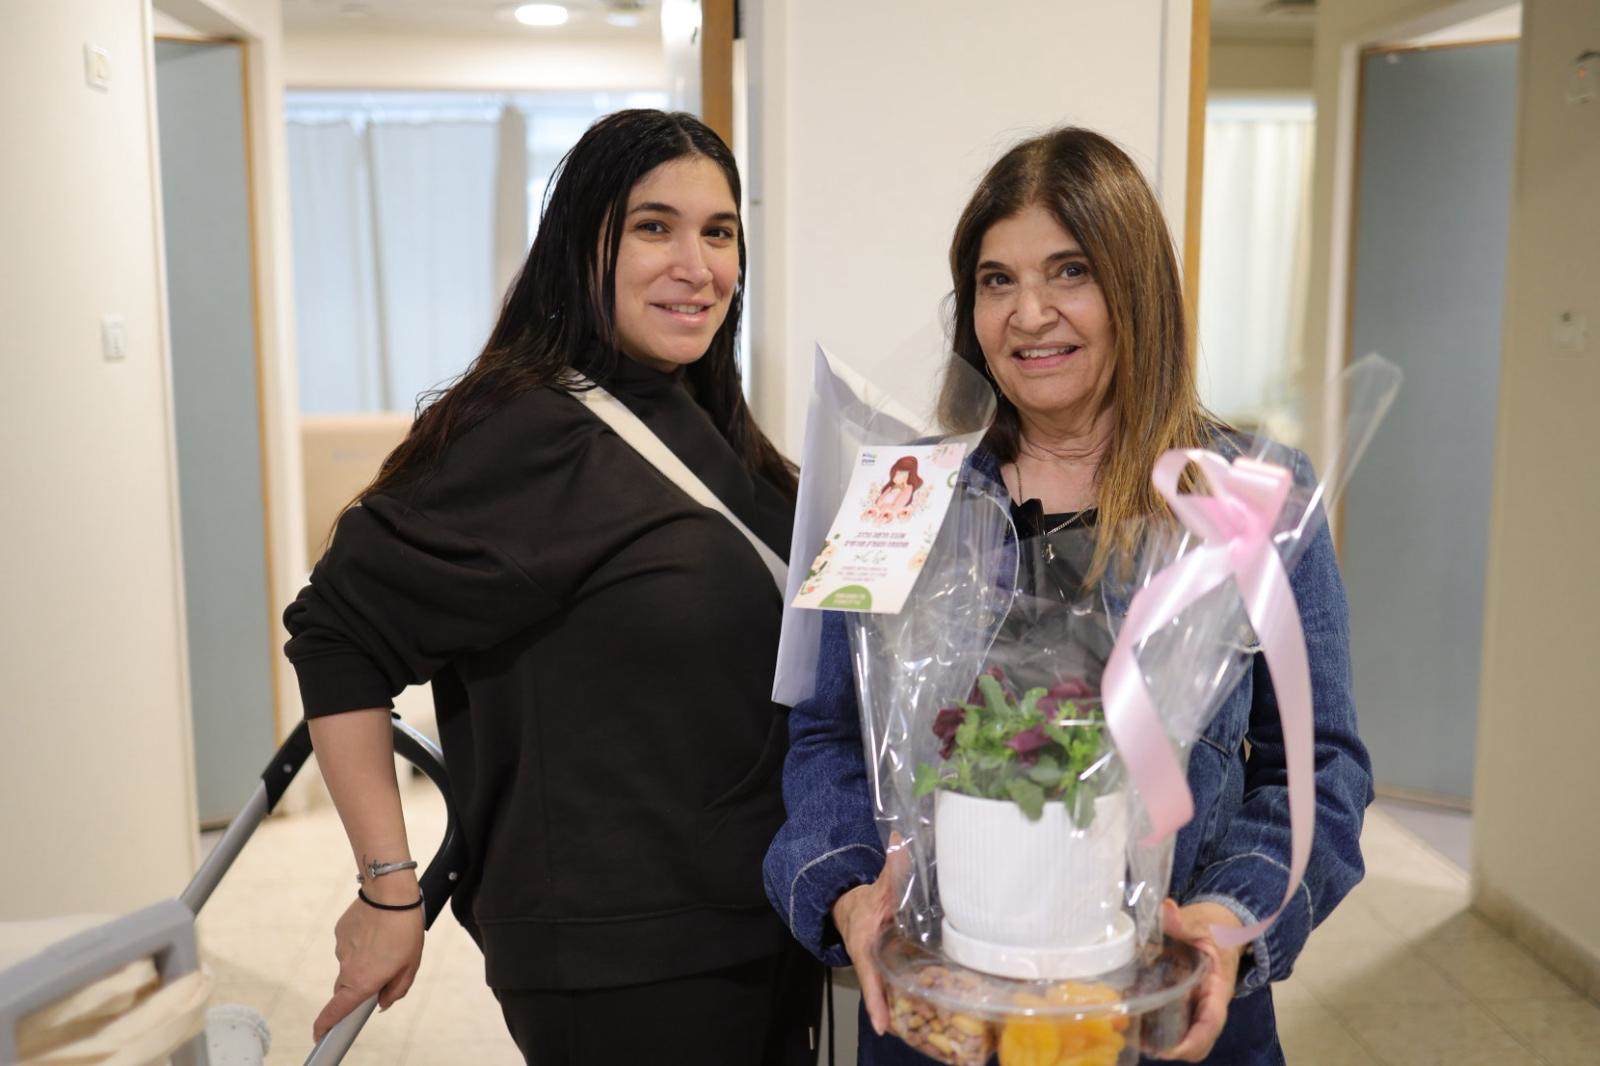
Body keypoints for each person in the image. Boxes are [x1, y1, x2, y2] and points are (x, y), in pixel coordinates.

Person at [762, 128, 1372, 1065]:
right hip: (946, 1022)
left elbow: (1319, 768)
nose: (1029, 314)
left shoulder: (1245, 496)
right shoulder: (903, 497)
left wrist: (1224, 921)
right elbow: (828, 736)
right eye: (996, 281)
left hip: (1163, 1025)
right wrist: (849, 893)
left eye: (1070, 272)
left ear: (1137, 289)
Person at [283, 109, 820, 1065]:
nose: (696, 265)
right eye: (653, 227)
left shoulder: (699, 416)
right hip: (624, 954)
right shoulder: (529, 429)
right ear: (583, 243)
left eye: (719, 232)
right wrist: (387, 886)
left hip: (755, 912)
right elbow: (338, 633)